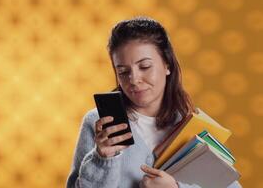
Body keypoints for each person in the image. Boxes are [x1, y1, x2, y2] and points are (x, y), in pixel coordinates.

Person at [66, 17, 241, 188]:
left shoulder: (193, 128)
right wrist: (101, 159)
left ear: (167, 65)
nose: (133, 79)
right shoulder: (99, 123)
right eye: (123, 71)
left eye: (144, 67)